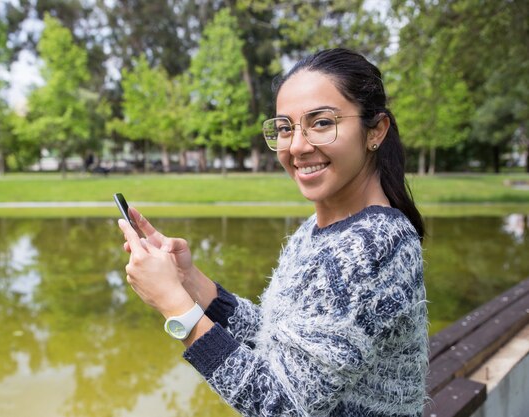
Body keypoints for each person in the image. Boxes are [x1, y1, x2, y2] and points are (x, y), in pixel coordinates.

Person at [118, 48, 428, 417]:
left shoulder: (372, 246)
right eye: (285, 127)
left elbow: (281, 407)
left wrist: (177, 308)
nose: (297, 145)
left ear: (374, 130)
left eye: (322, 123)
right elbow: (278, 344)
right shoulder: (322, 228)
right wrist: (190, 282)